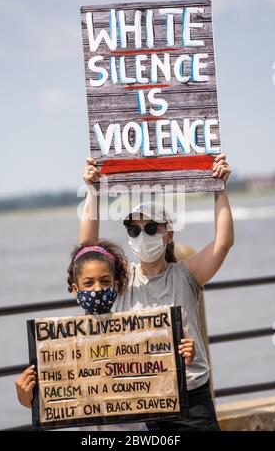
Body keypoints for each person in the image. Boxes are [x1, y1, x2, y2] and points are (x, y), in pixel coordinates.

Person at [79, 153, 234, 431]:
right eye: (134, 229)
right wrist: (92, 190)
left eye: (151, 228)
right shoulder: (122, 279)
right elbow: (88, 250)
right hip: (145, 399)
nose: (142, 235)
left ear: (168, 234)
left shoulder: (185, 274)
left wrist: (219, 187)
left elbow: (223, 243)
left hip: (192, 398)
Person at [15, 240, 195, 431]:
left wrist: (180, 358)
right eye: (89, 283)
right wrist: (27, 398)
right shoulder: (60, 344)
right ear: (76, 289)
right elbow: (55, 401)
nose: (98, 289)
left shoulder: (139, 334)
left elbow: (162, 380)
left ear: (116, 286)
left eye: (105, 281)